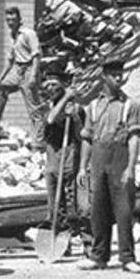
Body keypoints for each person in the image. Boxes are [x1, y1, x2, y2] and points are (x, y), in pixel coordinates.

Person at [77, 59, 140, 274]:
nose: (119, 77)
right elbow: (87, 139)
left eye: (120, 73)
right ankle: (98, 256)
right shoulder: (93, 106)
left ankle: (127, 258)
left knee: (124, 211)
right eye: (114, 74)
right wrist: (82, 167)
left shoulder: (130, 105)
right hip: (98, 158)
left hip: (120, 157)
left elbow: (134, 138)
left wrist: (131, 168)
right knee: (98, 210)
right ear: (103, 77)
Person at [42, 67, 85, 250]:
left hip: (68, 162)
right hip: (52, 164)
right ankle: (60, 245)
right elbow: (51, 120)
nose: (50, 88)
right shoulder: (47, 108)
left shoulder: (76, 109)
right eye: (48, 84)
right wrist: (66, 98)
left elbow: (81, 135)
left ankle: (86, 243)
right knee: (54, 207)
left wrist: (74, 116)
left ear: (63, 86)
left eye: (54, 84)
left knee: (74, 207)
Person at [0, 7, 43, 134]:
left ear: (19, 19)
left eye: (13, 19)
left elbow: (36, 55)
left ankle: (38, 144)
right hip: (18, 71)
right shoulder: (14, 36)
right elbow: (10, 60)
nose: (10, 22)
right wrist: (0, 78)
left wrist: (33, 76)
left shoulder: (28, 33)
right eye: (8, 20)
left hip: (29, 70)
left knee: (34, 110)